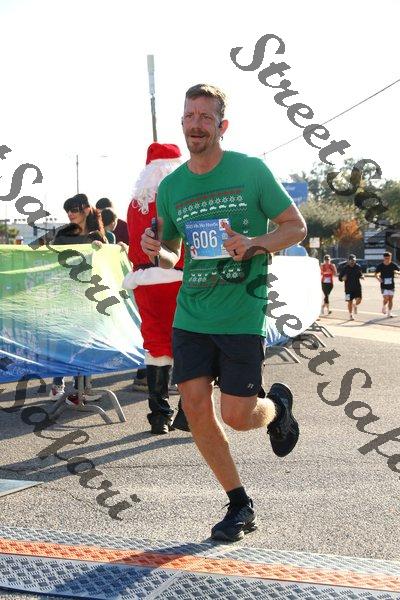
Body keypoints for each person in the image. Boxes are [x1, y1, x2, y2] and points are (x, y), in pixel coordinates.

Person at [141, 83, 307, 541]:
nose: (196, 125)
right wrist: (155, 248)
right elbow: (172, 255)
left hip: (241, 314)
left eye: (205, 117)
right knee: (196, 409)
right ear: (183, 122)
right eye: (189, 116)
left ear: (221, 125)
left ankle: (277, 408)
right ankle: (239, 503)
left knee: (237, 415)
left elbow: (295, 226)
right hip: (192, 314)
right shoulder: (172, 186)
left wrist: (254, 243)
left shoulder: (250, 171)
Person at [127, 142, 188, 435]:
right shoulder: (181, 196)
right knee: (189, 343)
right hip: (180, 278)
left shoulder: (135, 203)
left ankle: (159, 416)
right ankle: (188, 413)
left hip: (145, 282)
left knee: (156, 345)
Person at [48, 193, 107, 405]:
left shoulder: (97, 235)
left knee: (85, 343)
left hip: (90, 296)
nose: (70, 214)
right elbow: (51, 257)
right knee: (63, 341)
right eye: (67, 210)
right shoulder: (62, 233)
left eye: (74, 209)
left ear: (86, 209)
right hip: (66, 294)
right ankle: (58, 383)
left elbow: (107, 260)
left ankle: (81, 389)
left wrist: (107, 248)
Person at [338, 254, 364, 320]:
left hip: (357, 287)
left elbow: (360, 274)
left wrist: (362, 276)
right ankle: (350, 315)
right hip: (348, 289)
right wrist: (342, 278)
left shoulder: (358, 267)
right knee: (349, 302)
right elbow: (339, 278)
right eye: (351, 260)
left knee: (359, 300)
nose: (353, 262)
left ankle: (355, 305)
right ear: (348, 260)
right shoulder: (345, 268)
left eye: (354, 260)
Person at [375, 251, 400, 318]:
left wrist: (397, 272)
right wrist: (378, 278)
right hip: (384, 285)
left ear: (390, 258)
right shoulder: (380, 266)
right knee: (386, 298)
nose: (387, 259)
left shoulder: (393, 265)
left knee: (391, 299)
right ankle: (384, 306)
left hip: (391, 285)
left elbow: (398, 270)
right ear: (384, 258)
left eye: (389, 258)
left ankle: (389, 313)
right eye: (386, 258)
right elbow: (376, 274)